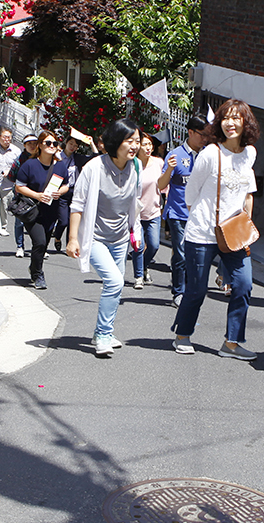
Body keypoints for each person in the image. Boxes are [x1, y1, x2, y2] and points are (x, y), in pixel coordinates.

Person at [170, 100, 259, 361]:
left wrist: (245, 222)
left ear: (246, 123)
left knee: (243, 284)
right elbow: (191, 193)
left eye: (236, 118)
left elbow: (248, 190)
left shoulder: (250, 153)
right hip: (201, 232)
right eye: (225, 118)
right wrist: (206, 216)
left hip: (234, 232)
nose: (230, 123)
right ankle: (183, 335)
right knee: (197, 289)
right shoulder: (210, 153)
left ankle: (231, 343)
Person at [67, 119, 144, 358]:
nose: (134, 146)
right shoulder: (94, 167)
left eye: (137, 141)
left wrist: (136, 230)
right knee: (114, 282)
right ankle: (102, 335)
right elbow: (77, 204)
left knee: (115, 285)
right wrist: (72, 239)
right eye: (129, 141)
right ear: (115, 141)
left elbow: (135, 203)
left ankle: (105, 333)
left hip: (121, 237)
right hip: (96, 237)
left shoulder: (137, 166)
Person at [161, 115, 209, 308]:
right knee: (180, 254)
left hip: (199, 215)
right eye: (202, 134)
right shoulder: (175, 155)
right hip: (177, 213)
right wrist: (169, 170)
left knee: (195, 255)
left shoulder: (208, 156)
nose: (205, 138)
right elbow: (160, 185)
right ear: (190, 132)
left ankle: (190, 289)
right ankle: (178, 292)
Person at [12, 131, 69, 290]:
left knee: (42, 246)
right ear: (40, 145)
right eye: (48, 143)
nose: (52, 146)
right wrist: (37, 195)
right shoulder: (29, 165)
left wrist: (61, 192)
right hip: (33, 211)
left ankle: (34, 267)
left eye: (55, 144)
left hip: (51, 211)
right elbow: (19, 186)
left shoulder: (60, 166)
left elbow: (66, 184)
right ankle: (38, 274)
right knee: (40, 242)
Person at [131, 134, 165, 289]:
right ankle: (138, 276)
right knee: (138, 246)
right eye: (145, 144)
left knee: (154, 244)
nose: (148, 148)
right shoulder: (133, 164)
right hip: (137, 213)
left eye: (150, 144)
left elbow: (164, 185)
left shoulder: (158, 163)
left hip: (154, 211)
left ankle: (144, 266)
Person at [7, 132, 40, 258]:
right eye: (29, 144)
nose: (32, 146)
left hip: (38, 194)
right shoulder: (20, 159)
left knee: (38, 222)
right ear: (24, 145)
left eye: (34, 143)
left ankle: (38, 247)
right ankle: (20, 246)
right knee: (20, 222)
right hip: (22, 196)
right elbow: (11, 176)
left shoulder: (42, 158)